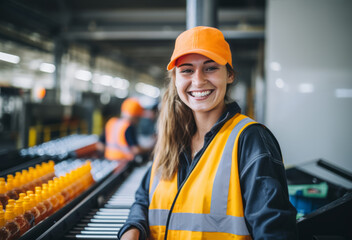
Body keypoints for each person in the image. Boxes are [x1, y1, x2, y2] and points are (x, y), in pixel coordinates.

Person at [118, 26, 298, 239]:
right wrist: (133, 228)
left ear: (229, 74)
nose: (198, 80)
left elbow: (275, 232)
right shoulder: (171, 138)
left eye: (210, 67)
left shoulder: (250, 140)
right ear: (175, 79)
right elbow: (144, 198)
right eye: (186, 70)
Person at [99, 97, 152, 161]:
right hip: (124, 162)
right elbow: (136, 150)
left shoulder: (111, 123)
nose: (138, 121)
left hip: (109, 161)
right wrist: (150, 148)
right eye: (138, 118)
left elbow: (100, 145)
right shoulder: (128, 127)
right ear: (135, 116)